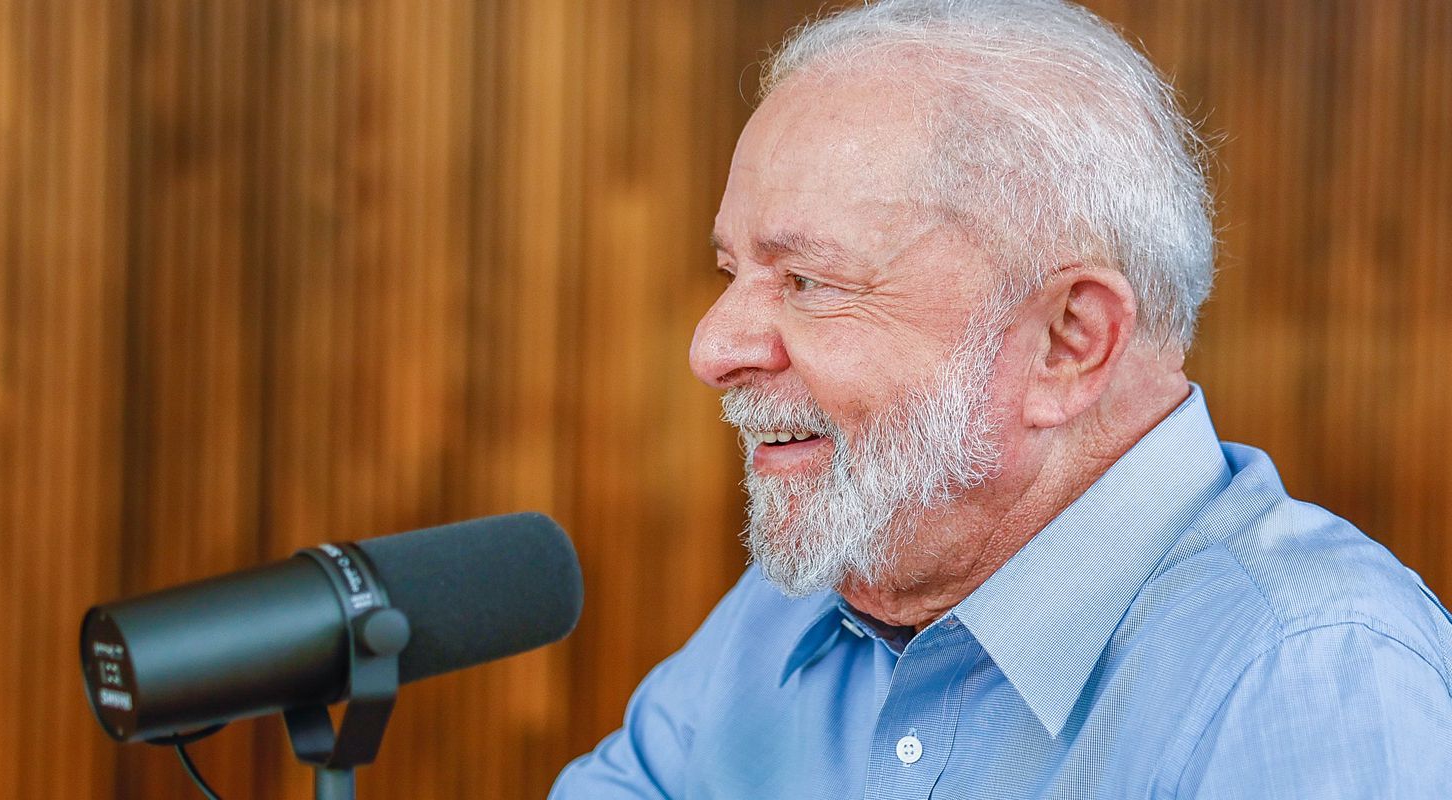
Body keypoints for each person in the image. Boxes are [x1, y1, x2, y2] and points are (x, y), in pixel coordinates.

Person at [551, 0, 1452, 797]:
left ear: (1068, 342)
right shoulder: (831, 566)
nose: (712, 349)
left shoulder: (1311, 675)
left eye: (810, 282)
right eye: (731, 271)